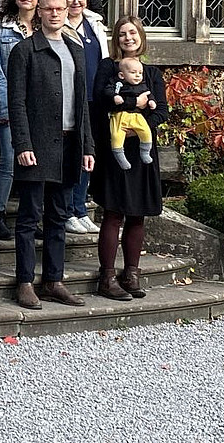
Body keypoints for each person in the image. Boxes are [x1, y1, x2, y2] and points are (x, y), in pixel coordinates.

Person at [7, 0, 94, 310]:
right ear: (39, 12)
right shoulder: (25, 50)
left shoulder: (76, 49)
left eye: (61, 8)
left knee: (59, 216)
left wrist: (88, 146)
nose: (56, 13)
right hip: (37, 144)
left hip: (70, 144)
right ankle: (25, 282)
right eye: (50, 8)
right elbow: (15, 102)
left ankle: (54, 280)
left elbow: (82, 104)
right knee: (30, 216)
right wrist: (22, 144)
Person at [92, 16, 167, 302]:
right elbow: (99, 100)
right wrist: (126, 115)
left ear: (141, 37)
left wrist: (140, 123)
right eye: (122, 33)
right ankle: (107, 276)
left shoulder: (152, 74)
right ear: (117, 39)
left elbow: (162, 112)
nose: (127, 38)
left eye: (132, 33)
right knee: (113, 213)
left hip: (142, 152)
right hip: (115, 150)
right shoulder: (108, 68)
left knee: (138, 214)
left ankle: (132, 273)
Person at [0, 0, 47, 240]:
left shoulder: (48, 28)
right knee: (9, 161)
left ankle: (32, 218)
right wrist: (3, 108)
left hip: (41, 108)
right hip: (12, 106)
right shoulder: (0, 29)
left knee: (36, 164)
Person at [62, 0, 109, 234]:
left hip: (93, 100)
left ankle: (81, 208)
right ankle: (68, 210)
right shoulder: (59, 25)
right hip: (70, 102)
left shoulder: (95, 26)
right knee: (73, 156)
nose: (76, 1)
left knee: (88, 157)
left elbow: (104, 61)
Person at [103, 57, 157, 170]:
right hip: (119, 116)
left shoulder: (142, 85)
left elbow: (149, 94)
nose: (137, 75)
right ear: (122, 75)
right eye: (133, 72)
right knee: (116, 136)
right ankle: (119, 155)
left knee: (146, 131)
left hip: (136, 116)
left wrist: (151, 102)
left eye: (140, 73)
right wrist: (115, 96)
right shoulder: (117, 83)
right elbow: (107, 91)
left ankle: (145, 151)